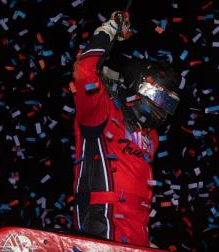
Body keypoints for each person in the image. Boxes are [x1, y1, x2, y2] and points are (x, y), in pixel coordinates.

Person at [71, 10, 180, 247]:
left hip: (137, 230)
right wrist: (108, 31)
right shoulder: (101, 112)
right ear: (136, 86)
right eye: (159, 99)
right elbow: (84, 72)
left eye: (169, 104)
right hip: (101, 223)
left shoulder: (150, 136)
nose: (162, 109)